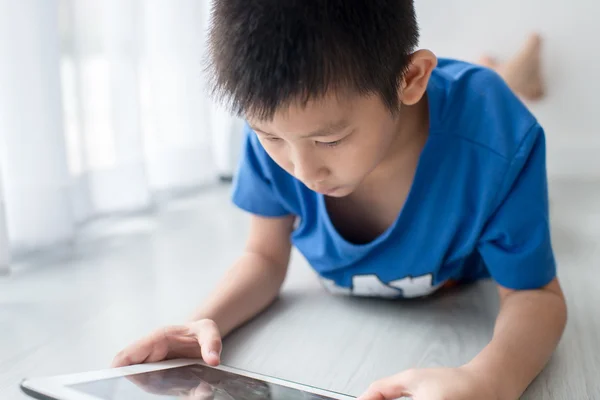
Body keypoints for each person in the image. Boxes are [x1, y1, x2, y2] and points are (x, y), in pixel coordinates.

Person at [113, 2, 566, 399]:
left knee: (495, 96)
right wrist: (203, 321)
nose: (303, 172)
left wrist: (490, 381)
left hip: (476, 124)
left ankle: (510, 73)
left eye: (330, 139)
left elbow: (535, 293)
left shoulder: (497, 142)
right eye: (269, 136)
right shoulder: (283, 127)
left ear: (409, 80)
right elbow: (264, 257)